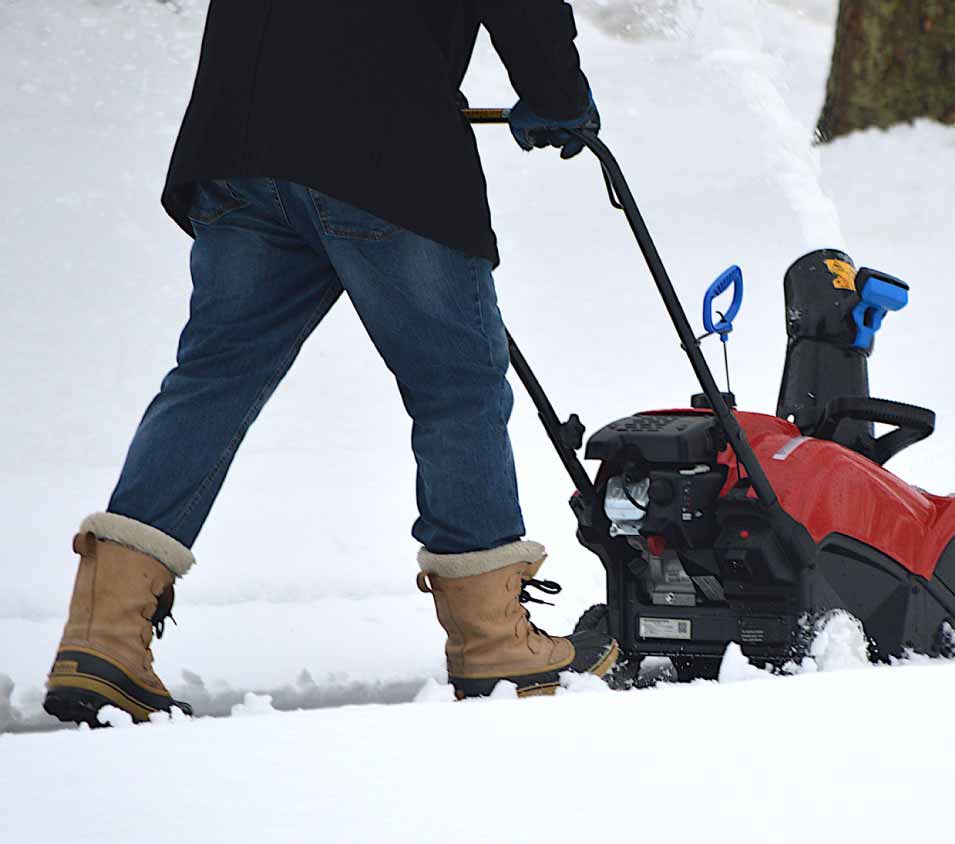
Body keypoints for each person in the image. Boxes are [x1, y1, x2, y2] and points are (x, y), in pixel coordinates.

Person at [43, 0, 617, 726]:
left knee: (211, 380)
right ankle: (495, 641)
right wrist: (559, 97)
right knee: (457, 390)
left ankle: (103, 637)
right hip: (379, 147)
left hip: (240, 143)